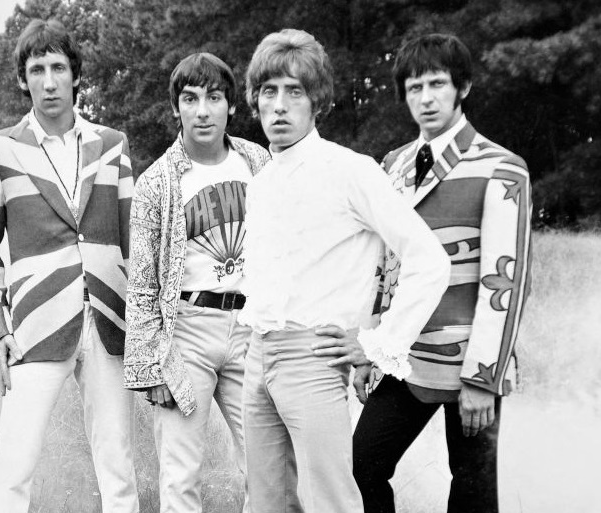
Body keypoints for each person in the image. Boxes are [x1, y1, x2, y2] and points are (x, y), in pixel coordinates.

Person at [239, 29, 451, 513]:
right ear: (255, 100)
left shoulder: (350, 170)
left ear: (317, 101)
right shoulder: (261, 182)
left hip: (314, 358)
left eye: (295, 92)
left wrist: (378, 344)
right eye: (269, 91)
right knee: (265, 503)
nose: (279, 106)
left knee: (331, 503)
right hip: (257, 355)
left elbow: (429, 260)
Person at [353, 34, 532, 513]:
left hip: (471, 362)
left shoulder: (502, 168)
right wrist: (371, 348)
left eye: (437, 84)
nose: (426, 98)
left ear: (463, 87)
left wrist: (483, 379)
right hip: (404, 356)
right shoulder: (392, 167)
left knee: (473, 491)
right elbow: (383, 268)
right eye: (415, 88)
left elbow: (506, 283)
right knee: (362, 466)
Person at [0, 18, 138, 513]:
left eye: (58, 68)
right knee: (13, 461)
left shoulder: (113, 145)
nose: (49, 81)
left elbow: (134, 241)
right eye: (37, 70)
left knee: (118, 465)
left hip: (109, 321)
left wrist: (146, 322)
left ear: (75, 75)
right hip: (35, 325)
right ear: (23, 79)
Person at [123, 53, 269, 513]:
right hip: (186, 333)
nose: (202, 111)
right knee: (181, 474)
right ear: (176, 108)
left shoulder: (259, 162)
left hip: (251, 328)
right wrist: (152, 365)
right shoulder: (156, 183)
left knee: (267, 465)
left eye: (214, 98)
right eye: (190, 99)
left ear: (231, 105)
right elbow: (142, 283)